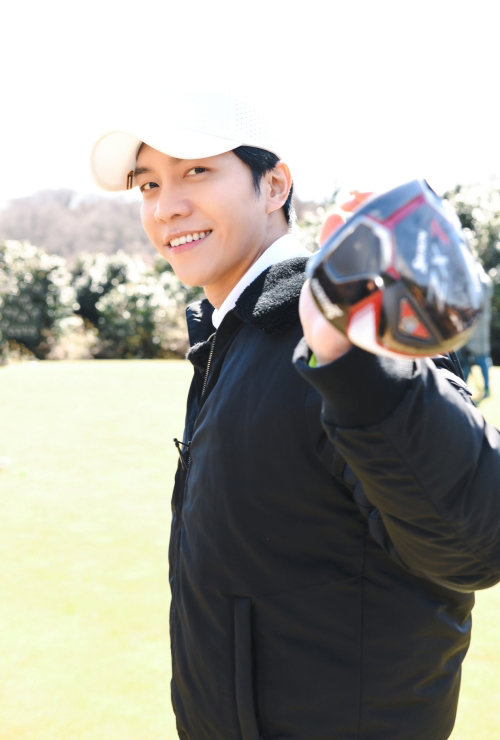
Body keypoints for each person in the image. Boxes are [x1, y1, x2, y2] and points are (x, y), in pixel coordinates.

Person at [91, 93, 500, 740]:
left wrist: (352, 363)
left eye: (196, 171)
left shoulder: (342, 328)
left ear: (275, 185)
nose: (166, 206)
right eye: (148, 184)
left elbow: (475, 545)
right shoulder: (232, 333)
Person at [458, 266, 493, 399]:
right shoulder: (477, 280)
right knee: (465, 361)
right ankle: (463, 386)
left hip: (478, 328)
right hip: (470, 328)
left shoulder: (481, 281)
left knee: (481, 359)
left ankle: (486, 387)